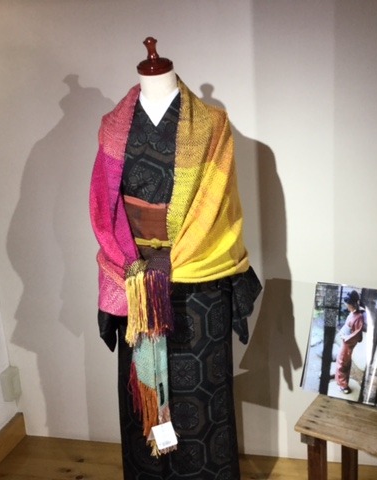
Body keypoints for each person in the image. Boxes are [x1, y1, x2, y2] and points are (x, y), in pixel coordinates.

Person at [90, 38, 261, 479]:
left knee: (203, 401)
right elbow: (105, 209)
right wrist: (138, 267)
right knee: (142, 401)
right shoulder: (112, 128)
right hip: (135, 280)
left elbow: (218, 208)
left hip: (198, 286)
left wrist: (169, 263)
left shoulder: (212, 125)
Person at [334, 290, 366, 394]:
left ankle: (344, 386)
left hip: (348, 343)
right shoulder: (354, 313)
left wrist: (345, 337)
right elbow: (347, 325)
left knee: (342, 363)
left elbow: (356, 334)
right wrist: (342, 332)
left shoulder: (359, 317)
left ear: (354, 304)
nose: (347, 308)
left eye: (349, 306)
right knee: (342, 361)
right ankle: (340, 381)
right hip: (346, 340)